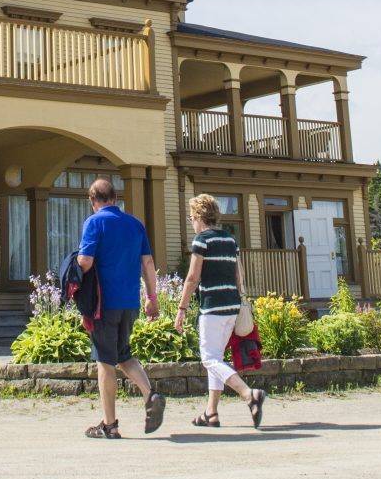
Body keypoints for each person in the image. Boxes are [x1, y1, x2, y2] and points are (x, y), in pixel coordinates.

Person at [77, 177, 165, 438]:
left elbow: (85, 261)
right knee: (123, 354)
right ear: (115, 198)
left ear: (93, 201)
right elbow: (148, 263)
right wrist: (152, 297)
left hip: (104, 303)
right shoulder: (135, 224)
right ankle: (151, 394)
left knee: (104, 361)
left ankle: (110, 425)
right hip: (130, 302)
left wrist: (72, 268)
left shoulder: (94, 222)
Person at [174, 194, 266, 428]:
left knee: (210, 359)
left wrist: (181, 308)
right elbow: (239, 275)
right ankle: (211, 413)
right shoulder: (230, 241)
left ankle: (249, 395)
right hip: (232, 305)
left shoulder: (202, 241)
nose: (191, 222)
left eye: (192, 218)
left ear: (198, 217)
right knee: (216, 356)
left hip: (212, 305)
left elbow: (192, 278)